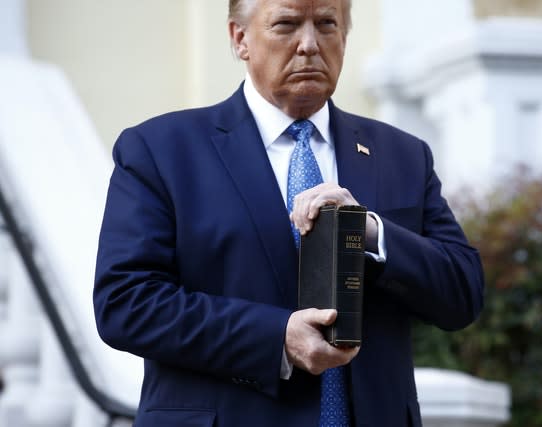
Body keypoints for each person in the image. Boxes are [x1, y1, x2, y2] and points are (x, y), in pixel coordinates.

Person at [93, 0, 484, 426]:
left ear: (345, 36)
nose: (310, 45)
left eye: (327, 24)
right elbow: (126, 302)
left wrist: (369, 231)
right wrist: (276, 337)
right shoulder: (162, 150)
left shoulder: (402, 155)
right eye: (287, 24)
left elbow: (463, 292)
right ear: (239, 38)